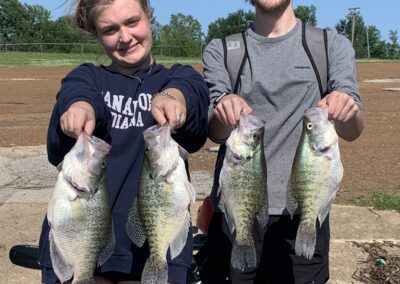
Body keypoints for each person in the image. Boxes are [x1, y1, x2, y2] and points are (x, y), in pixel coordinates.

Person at [38, 0, 209, 283]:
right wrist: (80, 107)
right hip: (80, 245)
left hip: (156, 250)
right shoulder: (87, 77)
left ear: (149, 16)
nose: (125, 37)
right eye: (110, 29)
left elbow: (191, 90)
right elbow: (78, 92)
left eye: (132, 22)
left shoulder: (177, 76)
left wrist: (174, 96)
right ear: (95, 33)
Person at [198, 0, 364, 283]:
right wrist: (224, 110)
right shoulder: (221, 50)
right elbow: (216, 132)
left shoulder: (329, 44)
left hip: (303, 211)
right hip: (236, 213)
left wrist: (346, 108)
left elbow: (353, 130)